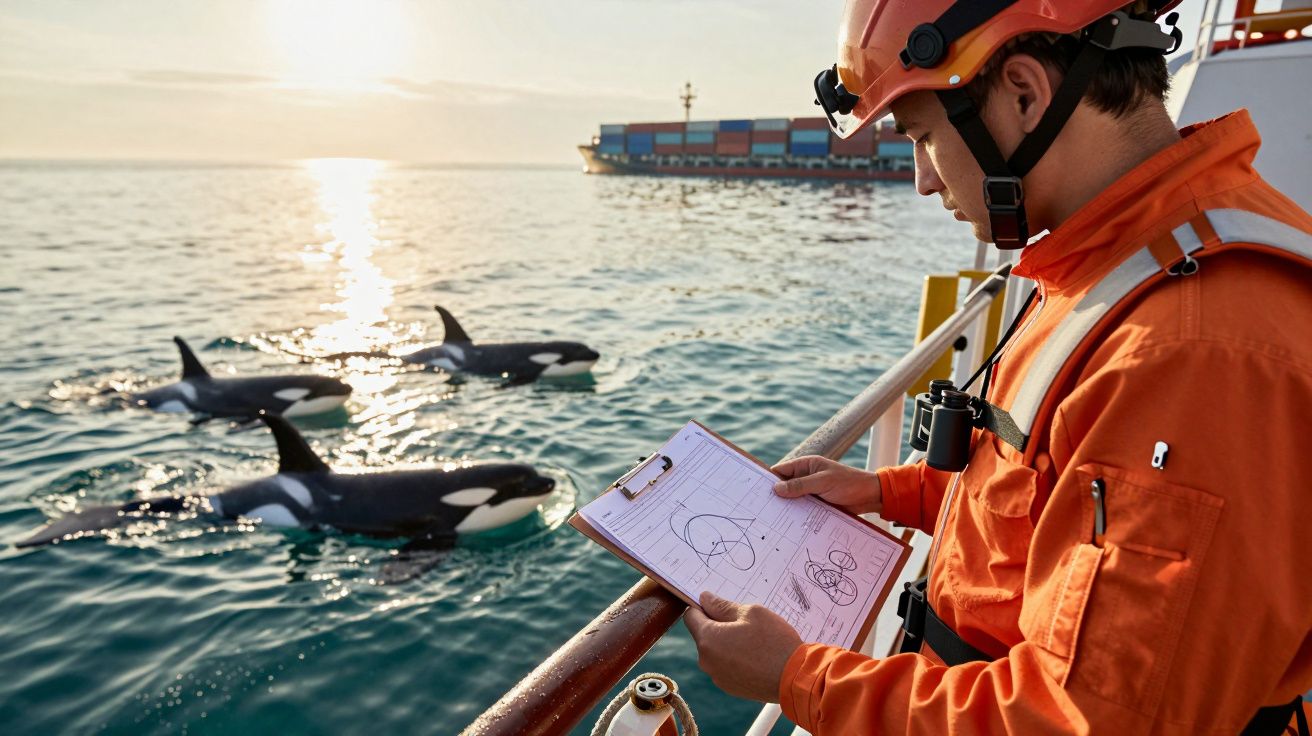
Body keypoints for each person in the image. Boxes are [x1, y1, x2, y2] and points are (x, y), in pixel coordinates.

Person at [683, 1, 1312, 733]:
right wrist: (887, 490)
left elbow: (1086, 719)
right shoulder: (1119, 260)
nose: (922, 179)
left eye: (922, 136)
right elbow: (1049, 490)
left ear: (1023, 93)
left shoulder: (1195, 354)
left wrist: (798, 677)